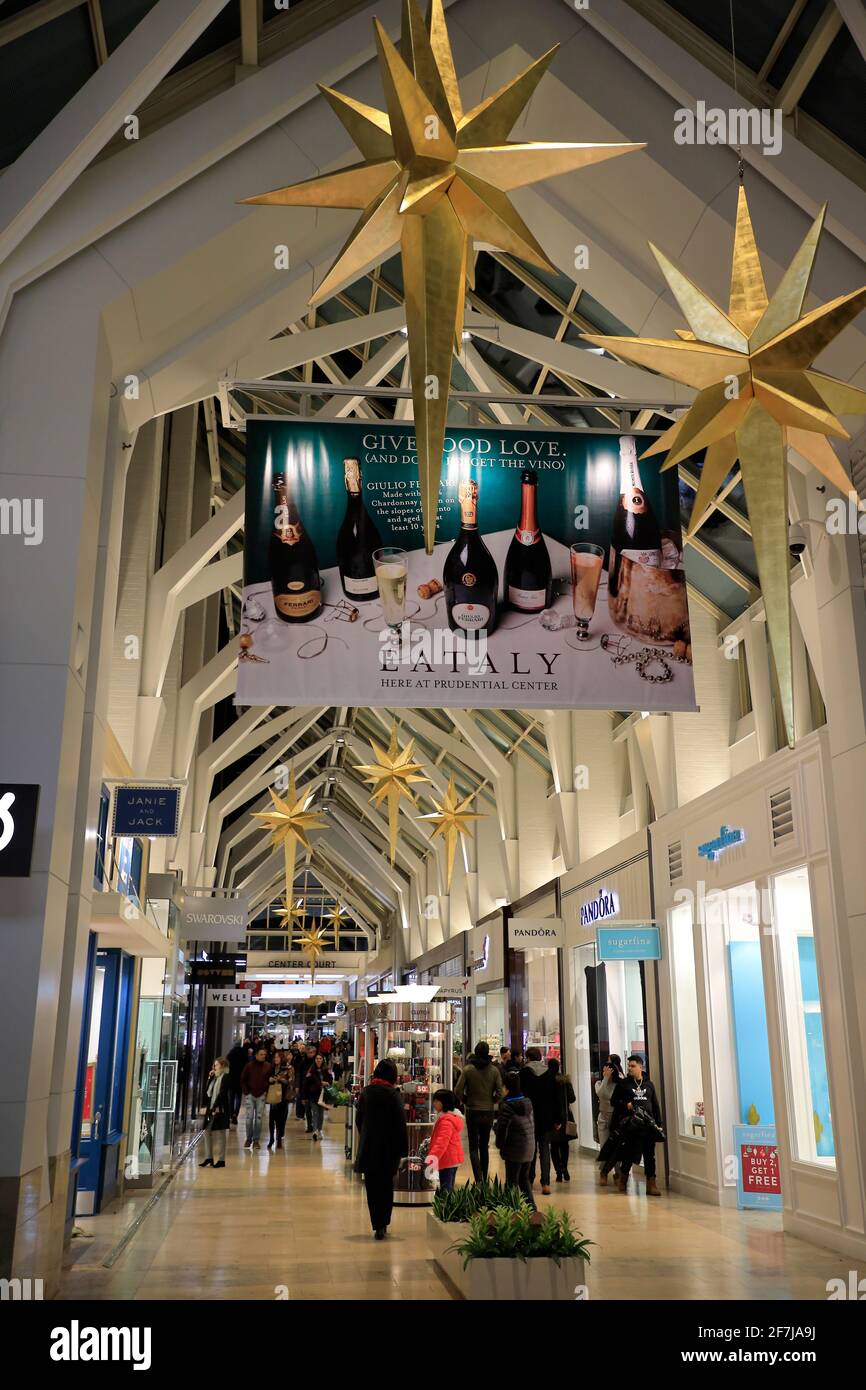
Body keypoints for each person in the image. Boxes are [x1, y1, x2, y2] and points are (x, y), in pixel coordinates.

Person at [354, 1059, 409, 1239]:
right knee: (386, 1186)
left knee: (372, 1187)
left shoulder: (366, 1092)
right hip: (388, 1148)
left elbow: (359, 1119)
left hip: (369, 1146)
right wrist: (403, 1150)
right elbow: (400, 1124)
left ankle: (376, 1222)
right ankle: (383, 1223)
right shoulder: (393, 1095)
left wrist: (366, 1134)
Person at [606, 1054, 664, 1196]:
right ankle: (623, 1180)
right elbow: (614, 1101)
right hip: (631, 1125)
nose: (630, 1069)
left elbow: (655, 1105)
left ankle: (651, 1184)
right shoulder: (624, 1084)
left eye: (633, 1066)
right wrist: (626, 1105)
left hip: (648, 1126)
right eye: (628, 1066)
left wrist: (659, 1123)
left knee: (650, 1156)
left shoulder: (649, 1084)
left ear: (640, 1067)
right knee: (629, 1154)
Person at [454, 1041, 504, 1183]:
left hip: (472, 1110)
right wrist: (493, 1100)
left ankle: (478, 1179)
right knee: (484, 1145)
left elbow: (458, 1090)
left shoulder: (468, 1069)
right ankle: (485, 1175)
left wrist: (465, 1100)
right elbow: (500, 1092)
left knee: (473, 1147)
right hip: (487, 1111)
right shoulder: (494, 1070)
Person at [494, 1073, 536, 1208]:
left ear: (506, 1088)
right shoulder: (527, 1102)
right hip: (529, 1146)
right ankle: (532, 1208)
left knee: (511, 1182)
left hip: (515, 1149)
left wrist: (500, 1145)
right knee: (524, 1180)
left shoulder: (507, 1106)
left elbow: (502, 1129)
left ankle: (510, 1211)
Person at [520, 1047, 552, 1193]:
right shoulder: (549, 1073)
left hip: (529, 1116)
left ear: (528, 1058)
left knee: (531, 1149)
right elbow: (555, 1097)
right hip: (545, 1116)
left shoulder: (524, 1073)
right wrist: (557, 1118)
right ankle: (546, 1183)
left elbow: (521, 1095)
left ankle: (529, 1180)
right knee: (545, 1149)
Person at [427, 1089, 464, 1191]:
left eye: (436, 1101)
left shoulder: (446, 1121)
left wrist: (432, 1158)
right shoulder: (450, 1117)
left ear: (444, 1103)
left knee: (446, 1190)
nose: (434, 1103)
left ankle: (446, 1207)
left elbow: (441, 1143)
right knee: (448, 1189)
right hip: (451, 1159)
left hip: (447, 1159)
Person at [547, 1058, 577, 1182]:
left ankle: (558, 1172)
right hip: (565, 1117)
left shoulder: (546, 1081)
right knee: (564, 1145)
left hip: (551, 1117)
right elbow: (572, 1098)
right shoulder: (565, 1081)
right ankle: (564, 1167)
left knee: (554, 1146)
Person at [595, 1055, 623, 1183]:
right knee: (604, 1146)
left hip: (616, 1118)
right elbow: (601, 1093)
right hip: (603, 1118)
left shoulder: (619, 1084)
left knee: (616, 1147)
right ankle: (604, 1172)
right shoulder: (600, 1083)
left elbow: (615, 1098)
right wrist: (605, 1078)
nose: (605, 1073)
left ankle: (618, 1173)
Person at [199, 1056, 231, 1168]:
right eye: (214, 1065)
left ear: (222, 1066)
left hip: (220, 1109)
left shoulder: (225, 1077)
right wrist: (209, 1077)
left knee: (221, 1134)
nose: (214, 1067)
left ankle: (221, 1160)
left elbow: (222, 1093)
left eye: (216, 1065)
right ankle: (209, 1158)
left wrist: (215, 1106)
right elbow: (208, 1092)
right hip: (211, 1108)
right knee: (206, 1131)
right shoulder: (215, 1077)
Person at [240, 1045, 272, 1150]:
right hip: (250, 1095)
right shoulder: (249, 1066)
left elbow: (269, 1081)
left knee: (258, 1119)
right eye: (261, 1054)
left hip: (261, 1095)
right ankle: (248, 1138)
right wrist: (246, 1092)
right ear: (256, 1055)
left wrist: (266, 1091)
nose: (263, 1056)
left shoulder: (268, 1066)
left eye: (264, 1055)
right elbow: (243, 1079)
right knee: (249, 1118)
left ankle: (256, 1140)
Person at [304, 1051, 333, 1141]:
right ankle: (315, 1131)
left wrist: (327, 1083)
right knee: (315, 1113)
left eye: (320, 1058)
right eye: (317, 1059)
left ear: (322, 1060)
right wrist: (320, 1083)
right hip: (313, 1095)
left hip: (323, 1095)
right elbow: (307, 1083)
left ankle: (319, 1130)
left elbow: (330, 1080)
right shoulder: (311, 1070)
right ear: (315, 1060)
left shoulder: (326, 1070)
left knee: (321, 1114)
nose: (318, 1060)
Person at [266, 1049, 291, 1150]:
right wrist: (270, 1080)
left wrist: (280, 1079)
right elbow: (266, 1079)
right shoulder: (271, 1068)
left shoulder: (286, 1068)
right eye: (275, 1057)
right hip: (273, 1095)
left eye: (278, 1057)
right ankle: (271, 1138)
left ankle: (279, 1138)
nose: (276, 1059)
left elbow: (289, 1081)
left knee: (281, 1119)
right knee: (272, 1119)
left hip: (283, 1096)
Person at [225, 1037, 250, 1126]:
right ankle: (236, 1113)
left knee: (231, 1097)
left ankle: (231, 1114)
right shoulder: (243, 1053)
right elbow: (247, 1065)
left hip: (232, 1078)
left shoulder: (230, 1054)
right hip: (240, 1078)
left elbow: (226, 1066)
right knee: (238, 1097)